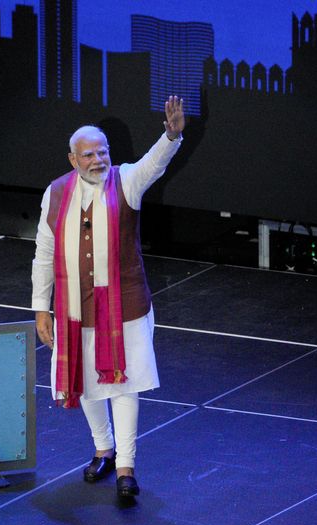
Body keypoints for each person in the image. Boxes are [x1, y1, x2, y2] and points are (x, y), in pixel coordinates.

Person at [31, 96, 185, 499]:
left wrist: (171, 135)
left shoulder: (126, 179)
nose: (97, 159)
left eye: (103, 152)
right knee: (83, 382)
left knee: (123, 384)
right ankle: (103, 449)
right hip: (73, 308)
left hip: (125, 307)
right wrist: (40, 307)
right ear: (72, 159)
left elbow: (154, 163)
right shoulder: (56, 193)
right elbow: (44, 253)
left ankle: (125, 467)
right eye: (88, 154)